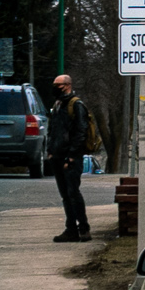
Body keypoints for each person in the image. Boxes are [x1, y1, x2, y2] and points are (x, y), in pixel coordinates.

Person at [46, 74, 94, 243]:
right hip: (58, 156)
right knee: (66, 195)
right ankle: (71, 229)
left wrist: (72, 156)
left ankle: (83, 228)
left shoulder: (76, 105)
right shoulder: (58, 104)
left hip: (71, 158)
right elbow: (52, 130)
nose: (54, 88)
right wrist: (50, 151)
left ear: (67, 85)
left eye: (57, 85)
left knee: (73, 193)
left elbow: (81, 131)